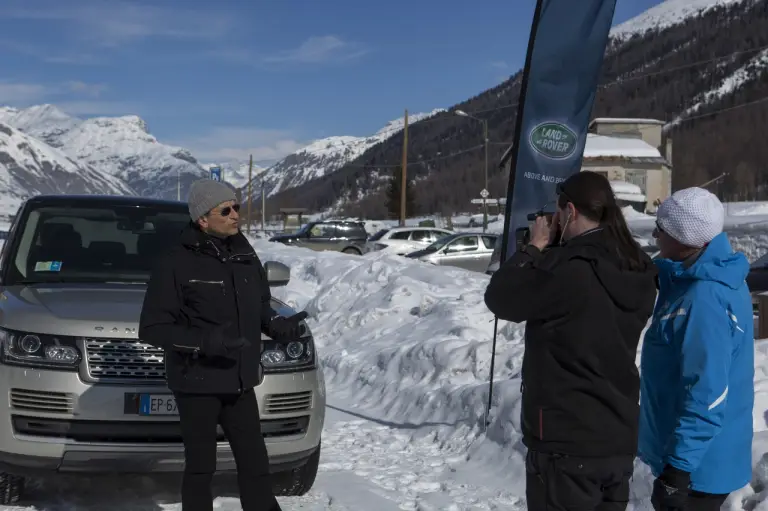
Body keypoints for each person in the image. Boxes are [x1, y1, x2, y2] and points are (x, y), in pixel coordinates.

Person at [484, 171, 658, 511]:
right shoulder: (637, 266)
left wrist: (534, 248)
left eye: (558, 210)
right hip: (617, 435)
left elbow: (501, 298)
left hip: (567, 439)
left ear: (571, 212)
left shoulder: (568, 269)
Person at [139, 179, 306, 511]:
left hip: (239, 380)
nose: (235, 215)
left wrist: (277, 325)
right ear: (203, 218)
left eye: (237, 207)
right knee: (202, 469)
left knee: (256, 466)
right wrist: (206, 342)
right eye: (225, 210)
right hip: (197, 382)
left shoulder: (244, 254)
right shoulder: (176, 262)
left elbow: (259, 305)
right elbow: (153, 328)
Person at [639, 187, 754, 511]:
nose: (655, 236)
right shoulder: (709, 272)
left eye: (660, 229)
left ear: (682, 237)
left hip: (695, 472)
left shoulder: (704, 300)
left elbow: (707, 395)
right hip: (702, 459)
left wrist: (677, 471)